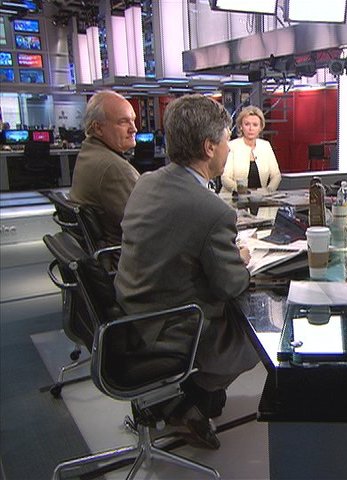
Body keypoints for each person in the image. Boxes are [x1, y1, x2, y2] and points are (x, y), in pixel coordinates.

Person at [114, 94, 258, 449]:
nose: (229, 148)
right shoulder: (211, 210)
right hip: (170, 324)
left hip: (130, 309)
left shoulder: (148, 181)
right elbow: (230, 286)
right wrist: (241, 262)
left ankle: (183, 400)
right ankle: (185, 401)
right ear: (209, 147)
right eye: (226, 140)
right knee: (256, 335)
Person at [69, 90, 140, 247]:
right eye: (123, 122)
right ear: (98, 128)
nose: (133, 129)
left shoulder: (88, 152)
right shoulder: (113, 168)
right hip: (126, 256)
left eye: (133, 120)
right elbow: (147, 223)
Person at [221, 105, 281, 193]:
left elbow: (276, 175)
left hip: (260, 198)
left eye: (255, 125)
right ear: (241, 126)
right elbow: (225, 178)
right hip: (233, 197)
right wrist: (242, 191)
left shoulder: (265, 146)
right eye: (247, 124)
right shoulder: (232, 146)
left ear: (260, 127)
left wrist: (268, 191)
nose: (251, 128)